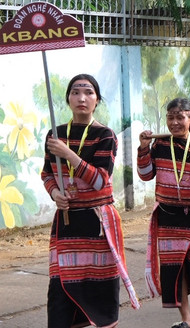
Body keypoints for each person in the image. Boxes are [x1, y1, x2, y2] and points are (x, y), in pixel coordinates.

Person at [43, 74, 140, 328]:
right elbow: (47, 174)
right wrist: (55, 194)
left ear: (97, 100)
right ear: (68, 99)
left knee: (99, 290)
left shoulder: (105, 135)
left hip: (98, 224)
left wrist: (68, 153)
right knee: (60, 288)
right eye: (75, 92)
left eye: (88, 92)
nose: (81, 98)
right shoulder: (55, 134)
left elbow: (100, 180)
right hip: (67, 224)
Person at [138, 98, 190, 327]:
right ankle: (186, 320)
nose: (174, 122)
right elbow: (146, 175)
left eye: (180, 117)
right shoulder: (160, 145)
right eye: (170, 117)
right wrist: (143, 148)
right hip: (168, 214)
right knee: (174, 269)